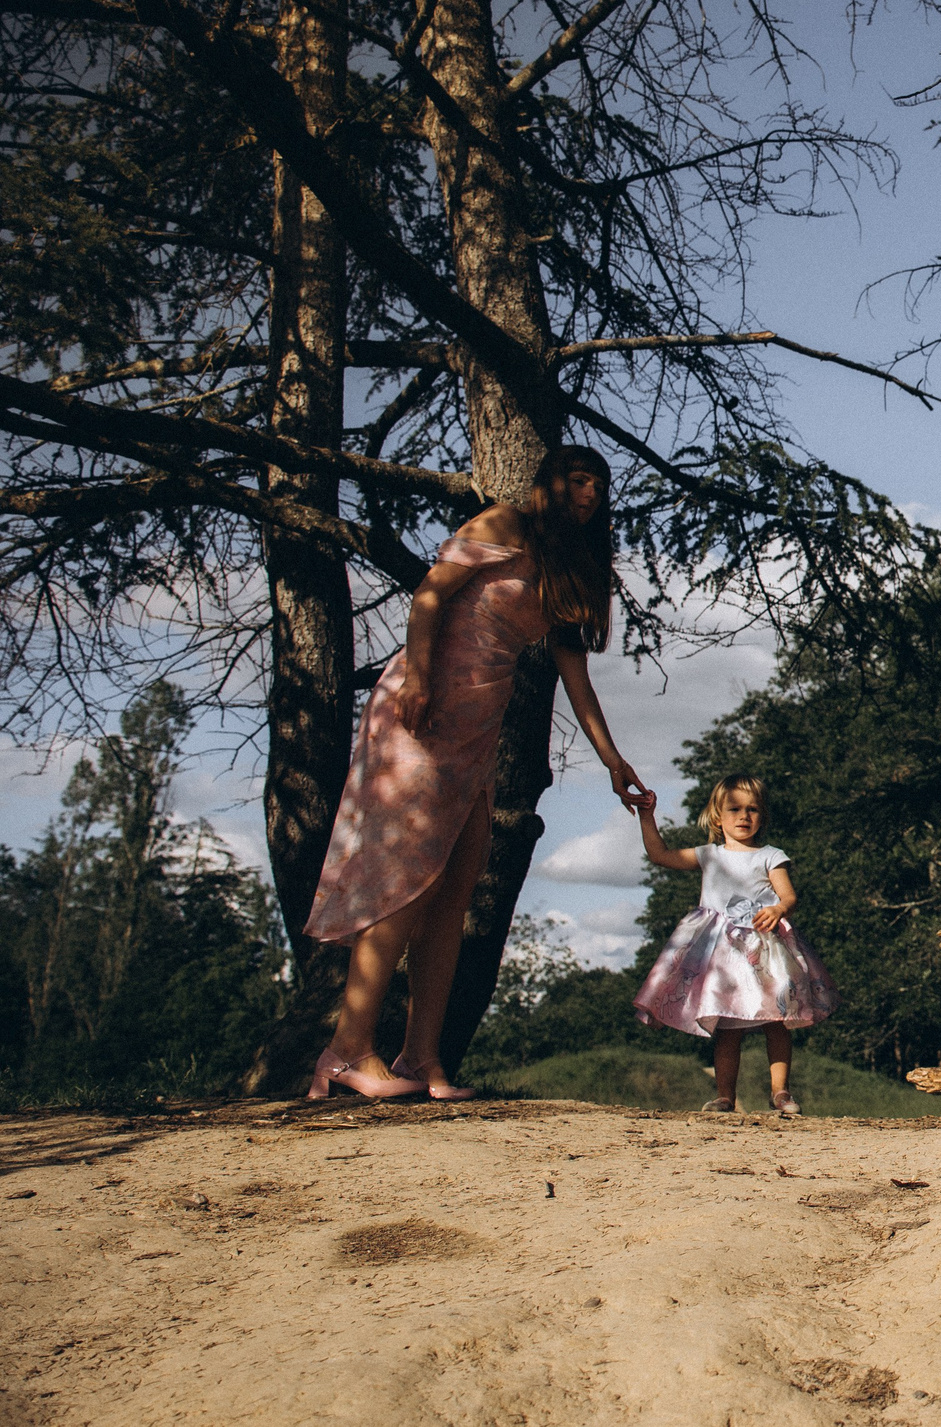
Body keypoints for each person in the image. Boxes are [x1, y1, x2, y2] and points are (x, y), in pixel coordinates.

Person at [304, 445, 647, 1101]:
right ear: (548, 484)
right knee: (404, 878)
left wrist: (612, 760)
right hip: (422, 706)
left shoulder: (571, 565)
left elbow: (574, 675)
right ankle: (345, 1050)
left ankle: (420, 1058)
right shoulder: (501, 526)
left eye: (599, 485)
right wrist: (421, 677)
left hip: (478, 724)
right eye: (578, 480)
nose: (590, 494)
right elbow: (430, 597)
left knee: (456, 884)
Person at [631, 774, 839, 1113]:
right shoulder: (709, 855)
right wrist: (646, 816)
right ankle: (725, 1095)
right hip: (721, 955)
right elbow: (659, 855)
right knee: (727, 1024)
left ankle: (781, 1093)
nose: (744, 816)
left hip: (763, 949)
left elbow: (788, 895)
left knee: (776, 1020)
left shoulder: (771, 855)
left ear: (763, 816)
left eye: (753, 809)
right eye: (735, 809)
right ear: (717, 816)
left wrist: (778, 908)